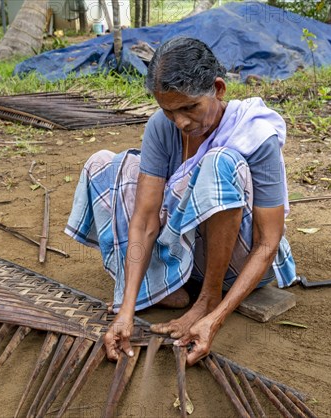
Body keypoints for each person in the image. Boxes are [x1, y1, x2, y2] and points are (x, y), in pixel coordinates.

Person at [65, 37, 297, 366]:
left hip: (240, 263)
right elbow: (145, 220)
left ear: (218, 88)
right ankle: (163, 285)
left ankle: (206, 297)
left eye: (190, 107)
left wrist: (212, 316)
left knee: (219, 163)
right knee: (106, 163)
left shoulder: (255, 134)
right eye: (169, 110)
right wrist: (125, 311)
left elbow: (267, 242)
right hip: (190, 257)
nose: (181, 122)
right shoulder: (164, 126)